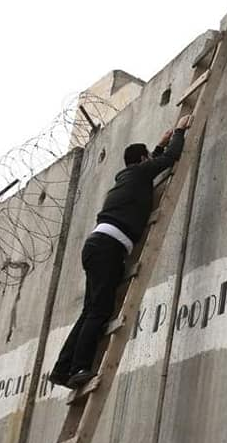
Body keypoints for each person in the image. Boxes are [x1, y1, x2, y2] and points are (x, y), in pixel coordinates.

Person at [50, 114, 193, 390]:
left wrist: (158, 146)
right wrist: (179, 131)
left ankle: (61, 369)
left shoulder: (128, 176)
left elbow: (153, 161)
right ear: (142, 160)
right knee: (99, 311)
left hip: (97, 246)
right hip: (108, 249)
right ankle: (79, 367)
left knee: (90, 310)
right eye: (148, 156)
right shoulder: (140, 173)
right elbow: (170, 158)